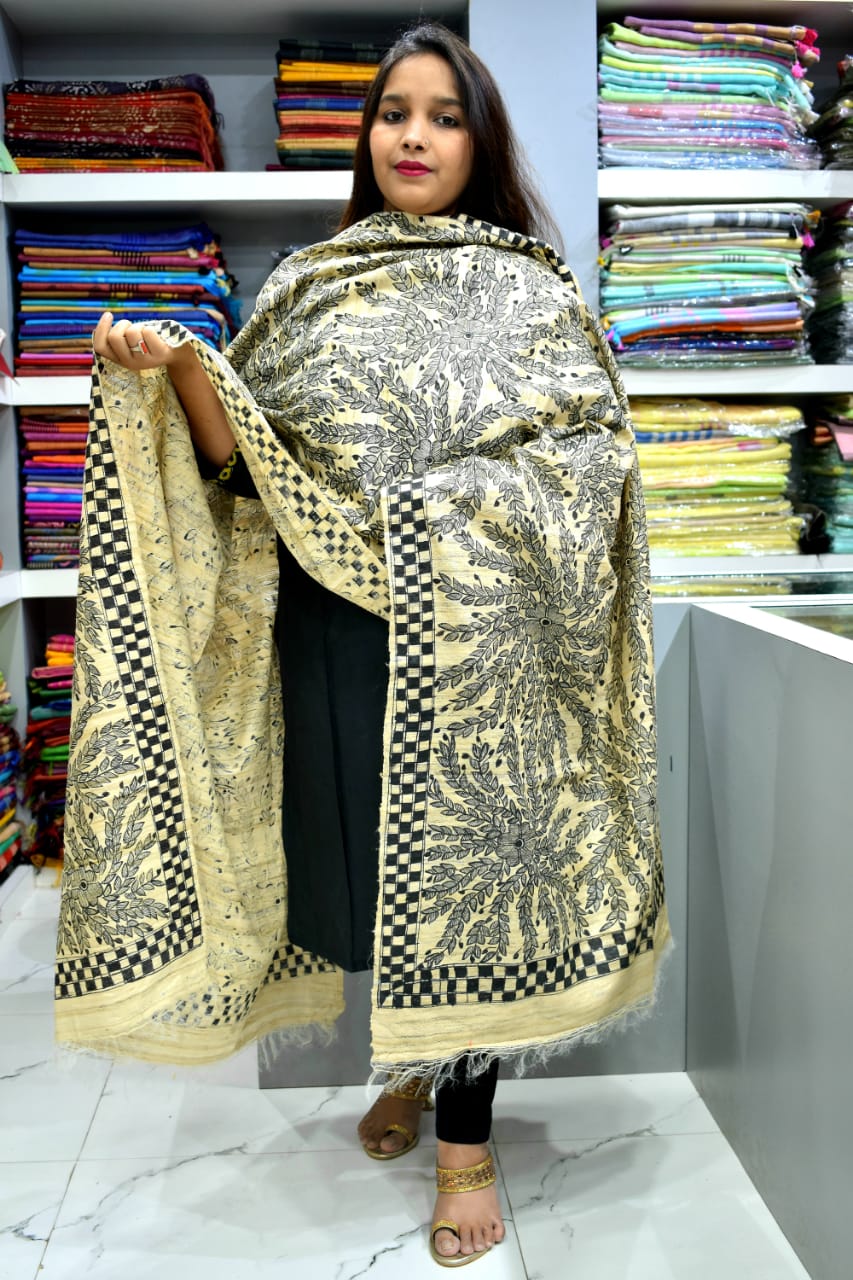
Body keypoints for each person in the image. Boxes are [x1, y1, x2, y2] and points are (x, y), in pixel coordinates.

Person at [64, 20, 669, 1270]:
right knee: (360, 878)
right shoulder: (306, 287)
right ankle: (407, 1060)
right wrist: (176, 373)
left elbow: (593, 466)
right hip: (336, 634)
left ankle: (465, 1143)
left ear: (479, 141)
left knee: (470, 881)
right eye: (395, 112)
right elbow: (246, 471)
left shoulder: (533, 291)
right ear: (367, 134)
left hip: (489, 641)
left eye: (444, 116)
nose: (413, 135)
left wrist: (449, 518)